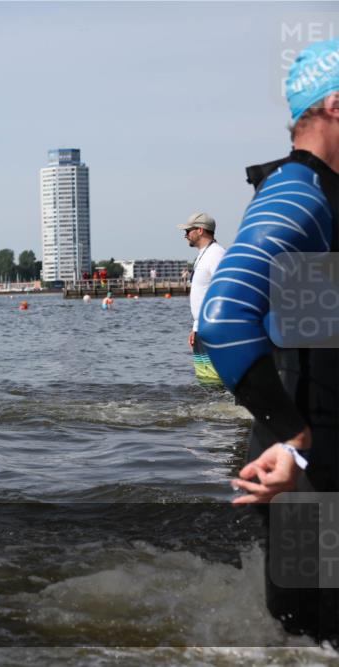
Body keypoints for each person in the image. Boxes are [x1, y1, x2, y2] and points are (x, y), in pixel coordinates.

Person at [198, 39, 338, 644]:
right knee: (315, 641)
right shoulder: (298, 193)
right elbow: (223, 320)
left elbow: (316, 335)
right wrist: (294, 436)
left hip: (315, 461)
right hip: (308, 474)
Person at [177, 212, 226, 386]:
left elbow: (225, 292)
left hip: (213, 329)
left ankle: (224, 412)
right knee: (207, 380)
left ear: (200, 230)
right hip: (202, 327)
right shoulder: (204, 254)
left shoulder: (217, 255)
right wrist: (196, 327)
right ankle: (212, 412)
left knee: (215, 382)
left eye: (188, 230)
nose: (185, 235)